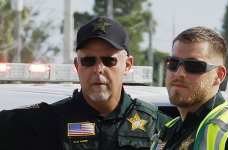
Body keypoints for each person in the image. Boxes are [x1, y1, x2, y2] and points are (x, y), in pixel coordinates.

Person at [0, 16, 170, 150]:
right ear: (77, 66)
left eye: (109, 61)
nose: (98, 69)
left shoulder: (159, 126)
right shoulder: (45, 121)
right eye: (89, 61)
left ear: (127, 65)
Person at [157, 26, 228, 150]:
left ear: (219, 75)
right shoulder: (168, 131)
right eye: (173, 63)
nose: (179, 73)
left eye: (194, 66)